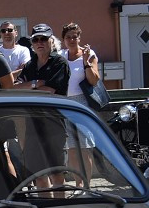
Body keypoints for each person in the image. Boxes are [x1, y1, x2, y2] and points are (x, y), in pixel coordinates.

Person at [18, 24, 70, 190]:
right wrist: (36, 83)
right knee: (39, 175)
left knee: (56, 174)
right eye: (36, 39)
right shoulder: (30, 65)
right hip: (32, 124)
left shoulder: (59, 63)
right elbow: (15, 88)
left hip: (54, 124)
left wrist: (29, 87)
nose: (40, 42)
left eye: (44, 39)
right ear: (32, 43)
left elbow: (49, 91)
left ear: (51, 41)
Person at [60, 22, 100, 184]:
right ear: (63, 40)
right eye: (68, 37)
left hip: (82, 104)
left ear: (79, 38)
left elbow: (94, 80)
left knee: (84, 149)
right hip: (64, 105)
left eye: (74, 37)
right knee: (72, 150)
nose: (71, 40)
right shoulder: (60, 56)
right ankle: (79, 184)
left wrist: (86, 62)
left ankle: (87, 185)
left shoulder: (89, 55)